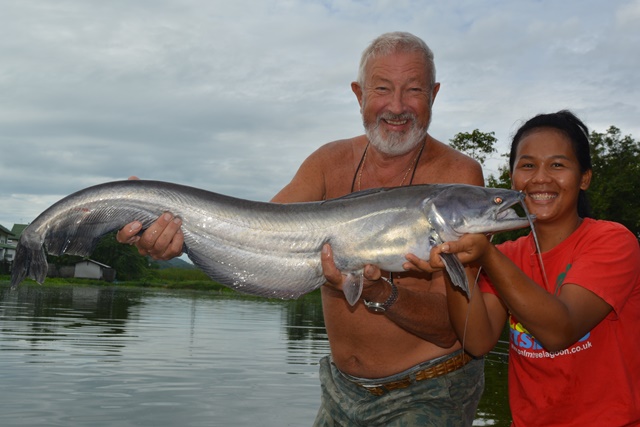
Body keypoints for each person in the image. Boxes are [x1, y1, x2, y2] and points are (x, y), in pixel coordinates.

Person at [118, 32, 486, 426]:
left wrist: (379, 291)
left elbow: (454, 329)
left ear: (434, 94)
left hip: (430, 389)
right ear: (359, 94)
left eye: (413, 90)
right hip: (339, 391)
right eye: (382, 88)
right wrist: (173, 229)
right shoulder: (328, 162)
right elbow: (256, 239)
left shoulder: (459, 181)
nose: (396, 107)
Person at [413, 110, 640, 426]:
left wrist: (487, 256)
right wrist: (456, 260)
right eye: (528, 165)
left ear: (584, 178)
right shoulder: (508, 254)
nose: (541, 178)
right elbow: (477, 341)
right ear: (513, 178)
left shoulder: (613, 241)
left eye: (557, 165)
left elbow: (560, 331)